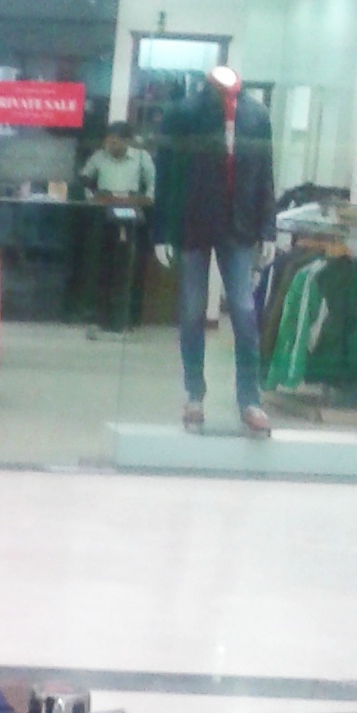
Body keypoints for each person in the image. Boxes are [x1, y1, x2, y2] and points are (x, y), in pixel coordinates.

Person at [152, 66, 276, 436]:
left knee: (244, 311)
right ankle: (194, 394)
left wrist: (268, 228)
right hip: (192, 223)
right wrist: (162, 231)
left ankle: (249, 399)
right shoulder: (184, 113)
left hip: (239, 225)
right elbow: (166, 174)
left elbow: (264, 174)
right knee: (192, 310)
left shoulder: (256, 115)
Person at [76, 123, 154, 333]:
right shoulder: (99, 157)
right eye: (108, 140)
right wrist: (93, 198)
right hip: (104, 211)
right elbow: (84, 180)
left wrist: (142, 200)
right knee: (102, 264)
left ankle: (126, 318)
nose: (110, 144)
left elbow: (152, 187)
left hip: (132, 211)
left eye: (115, 140)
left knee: (128, 266)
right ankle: (100, 316)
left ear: (127, 141)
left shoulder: (141, 158)